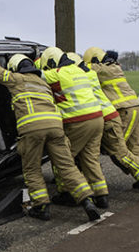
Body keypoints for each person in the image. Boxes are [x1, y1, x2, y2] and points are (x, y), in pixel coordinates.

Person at [0, 48, 100, 222]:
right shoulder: (43, 83)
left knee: (32, 168)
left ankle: (41, 206)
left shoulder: (16, 79)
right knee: (67, 166)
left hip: (32, 129)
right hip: (56, 127)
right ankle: (87, 200)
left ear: (15, 68)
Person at [68, 52, 139, 204]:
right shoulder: (115, 67)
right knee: (136, 149)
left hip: (124, 111)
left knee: (118, 151)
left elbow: (80, 69)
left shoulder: (99, 69)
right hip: (136, 108)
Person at [39, 47, 109, 209]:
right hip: (97, 118)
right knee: (90, 158)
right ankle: (102, 195)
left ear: (51, 62)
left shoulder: (57, 73)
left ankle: (68, 193)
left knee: (64, 158)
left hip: (78, 121)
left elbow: (35, 75)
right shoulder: (79, 71)